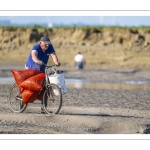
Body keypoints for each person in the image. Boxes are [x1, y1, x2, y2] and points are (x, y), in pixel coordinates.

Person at [25, 36, 61, 113]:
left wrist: (56, 62)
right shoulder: (36, 47)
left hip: (42, 67)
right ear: (41, 43)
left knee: (45, 86)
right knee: (30, 85)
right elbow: (34, 55)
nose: (47, 45)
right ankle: (22, 102)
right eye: (46, 44)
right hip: (31, 66)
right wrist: (37, 61)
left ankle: (43, 108)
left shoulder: (50, 47)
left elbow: (53, 55)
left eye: (48, 44)